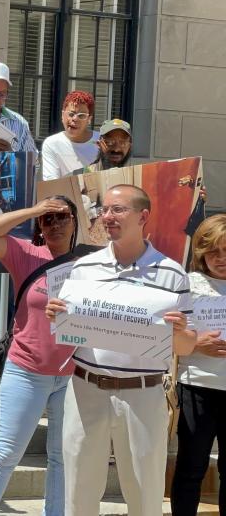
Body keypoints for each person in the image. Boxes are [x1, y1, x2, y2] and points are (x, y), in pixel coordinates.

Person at [45, 185, 195, 515]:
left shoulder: (172, 273)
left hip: (143, 395)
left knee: (145, 496)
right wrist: (58, 317)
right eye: (105, 209)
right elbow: (70, 333)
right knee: (78, 494)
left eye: (118, 209)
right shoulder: (83, 268)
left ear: (143, 216)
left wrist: (181, 333)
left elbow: (185, 345)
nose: (107, 216)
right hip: (86, 388)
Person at [0, 196, 85, 515]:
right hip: (26, 370)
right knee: (7, 452)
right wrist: (38, 209)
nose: (55, 224)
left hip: (72, 376)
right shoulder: (27, 254)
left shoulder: (89, 265)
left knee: (62, 457)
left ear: (75, 222)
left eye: (62, 216)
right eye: (48, 219)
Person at [171, 214, 226, 515]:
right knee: (192, 466)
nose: (220, 258)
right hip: (198, 385)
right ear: (201, 252)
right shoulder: (188, 283)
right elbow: (170, 334)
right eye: (213, 251)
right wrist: (197, 343)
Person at [41, 91, 99, 180]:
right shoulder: (52, 143)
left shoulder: (100, 142)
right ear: (62, 115)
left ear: (89, 119)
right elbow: (51, 182)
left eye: (82, 116)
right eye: (71, 114)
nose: (75, 119)